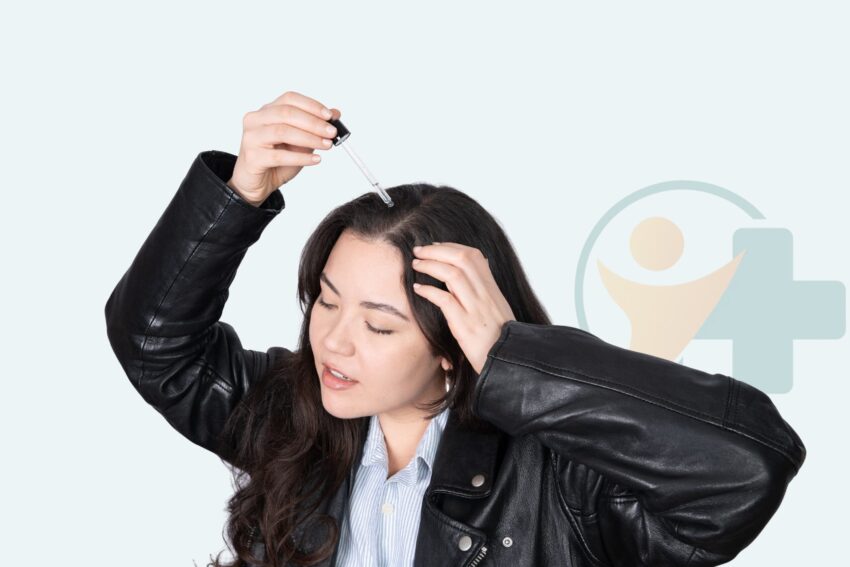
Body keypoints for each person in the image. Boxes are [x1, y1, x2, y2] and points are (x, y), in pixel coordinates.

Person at [104, 90, 807, 567]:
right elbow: (156, 345)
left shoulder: (561, 478)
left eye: (380, 325)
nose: (333, 342)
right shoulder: (298, 418)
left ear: (453, 350)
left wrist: (517, 362)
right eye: (326, 300)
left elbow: (747, 467)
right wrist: (240, 191)